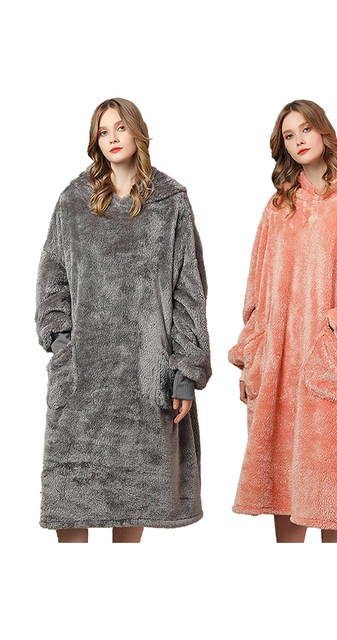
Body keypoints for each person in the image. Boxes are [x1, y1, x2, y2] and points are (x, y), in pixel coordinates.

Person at [229, 99, 337, 542]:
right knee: (283, 497)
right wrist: (253, 356)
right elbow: (257, 293)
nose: (299, 140)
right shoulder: (278, 207)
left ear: (324, 131)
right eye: (289, 135)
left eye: (305, 129)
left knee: (332, 504)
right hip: (279, 372)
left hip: (330, 372)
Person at [35, 98, 211, 543]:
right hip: (83, 382)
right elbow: (53, 278)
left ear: (137, 132)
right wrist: (61, 342)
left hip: (143, 379)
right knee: (70, 506)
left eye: (120, 128)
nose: (112, 138)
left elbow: (188, 291)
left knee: (133, 501)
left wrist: (185, 373)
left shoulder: (170, 203)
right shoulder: (73, 202)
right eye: (103, 131)